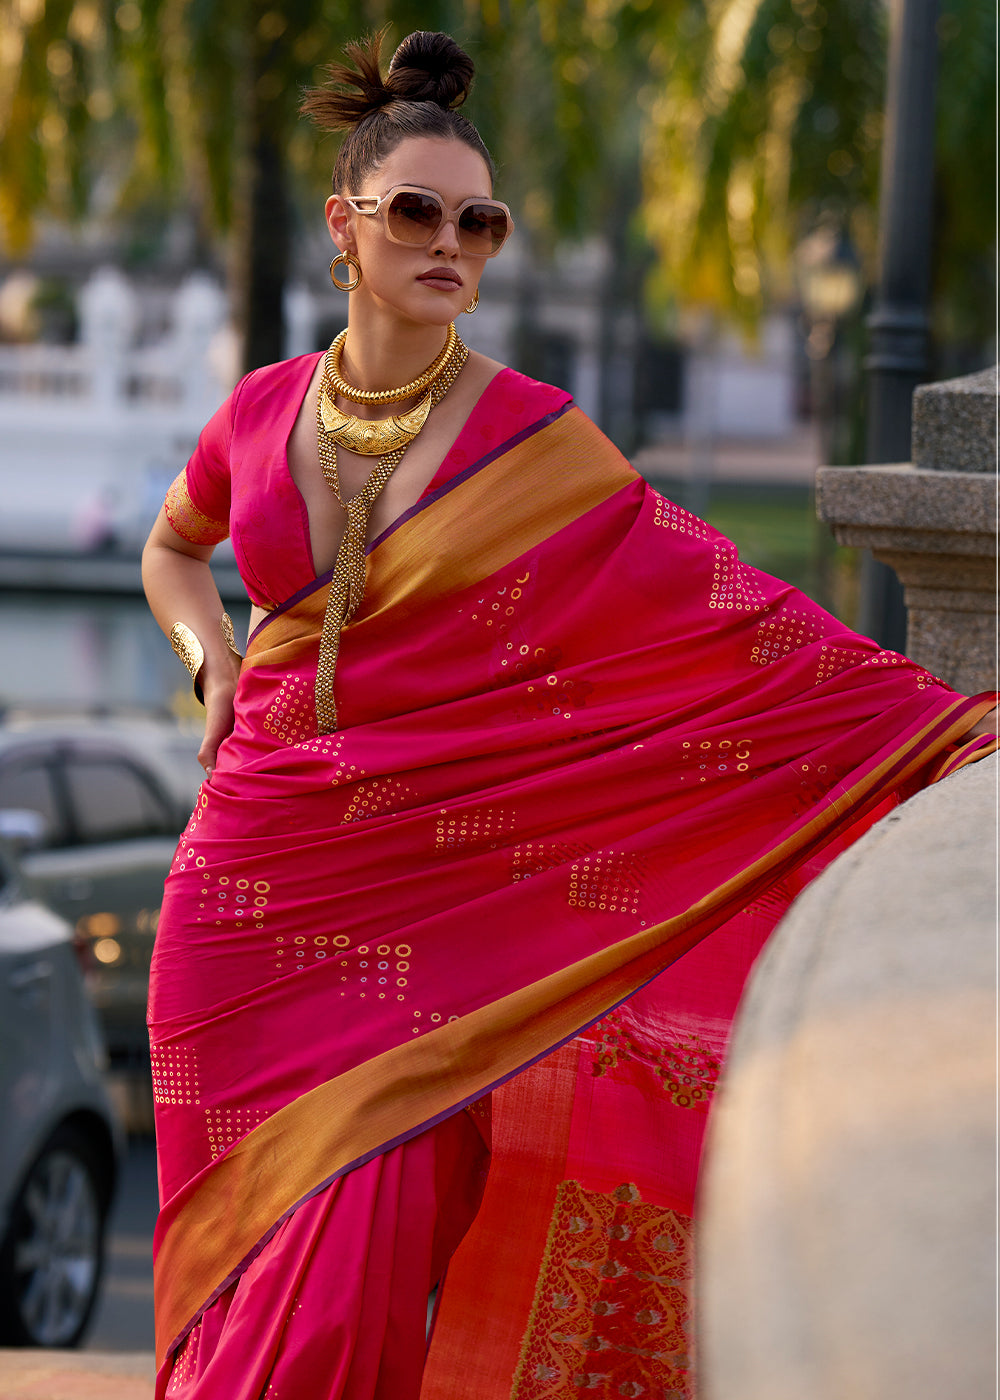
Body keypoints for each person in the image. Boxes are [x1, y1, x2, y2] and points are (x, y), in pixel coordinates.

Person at [142, 28, 996, 1400]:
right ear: (343, 228)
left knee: (341, 1291)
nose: (451, 243)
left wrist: (938, 727)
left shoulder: (534, 440)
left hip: (432, 926)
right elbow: (171, 551)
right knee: (229, 1278)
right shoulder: (259, 413)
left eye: (479, 221)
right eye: (415, 212)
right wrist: (214, 666)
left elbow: (727, 620)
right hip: (240, 902)